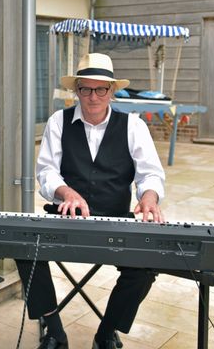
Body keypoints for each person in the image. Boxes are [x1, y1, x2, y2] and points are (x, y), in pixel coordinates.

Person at [17, 53, 165, 349]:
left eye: (101, 89)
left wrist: (149, 197)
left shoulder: (133, 126)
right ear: (77, 91)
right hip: (65, 218)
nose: (93, 97)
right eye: (86, 89)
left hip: (115, 221)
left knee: (147, 266)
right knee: (24, 249)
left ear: (112, 91)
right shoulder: (58, 122)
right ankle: (55, 331)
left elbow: (150, 174)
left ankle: (107, 332)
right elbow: (46, 172)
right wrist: (65, 192)